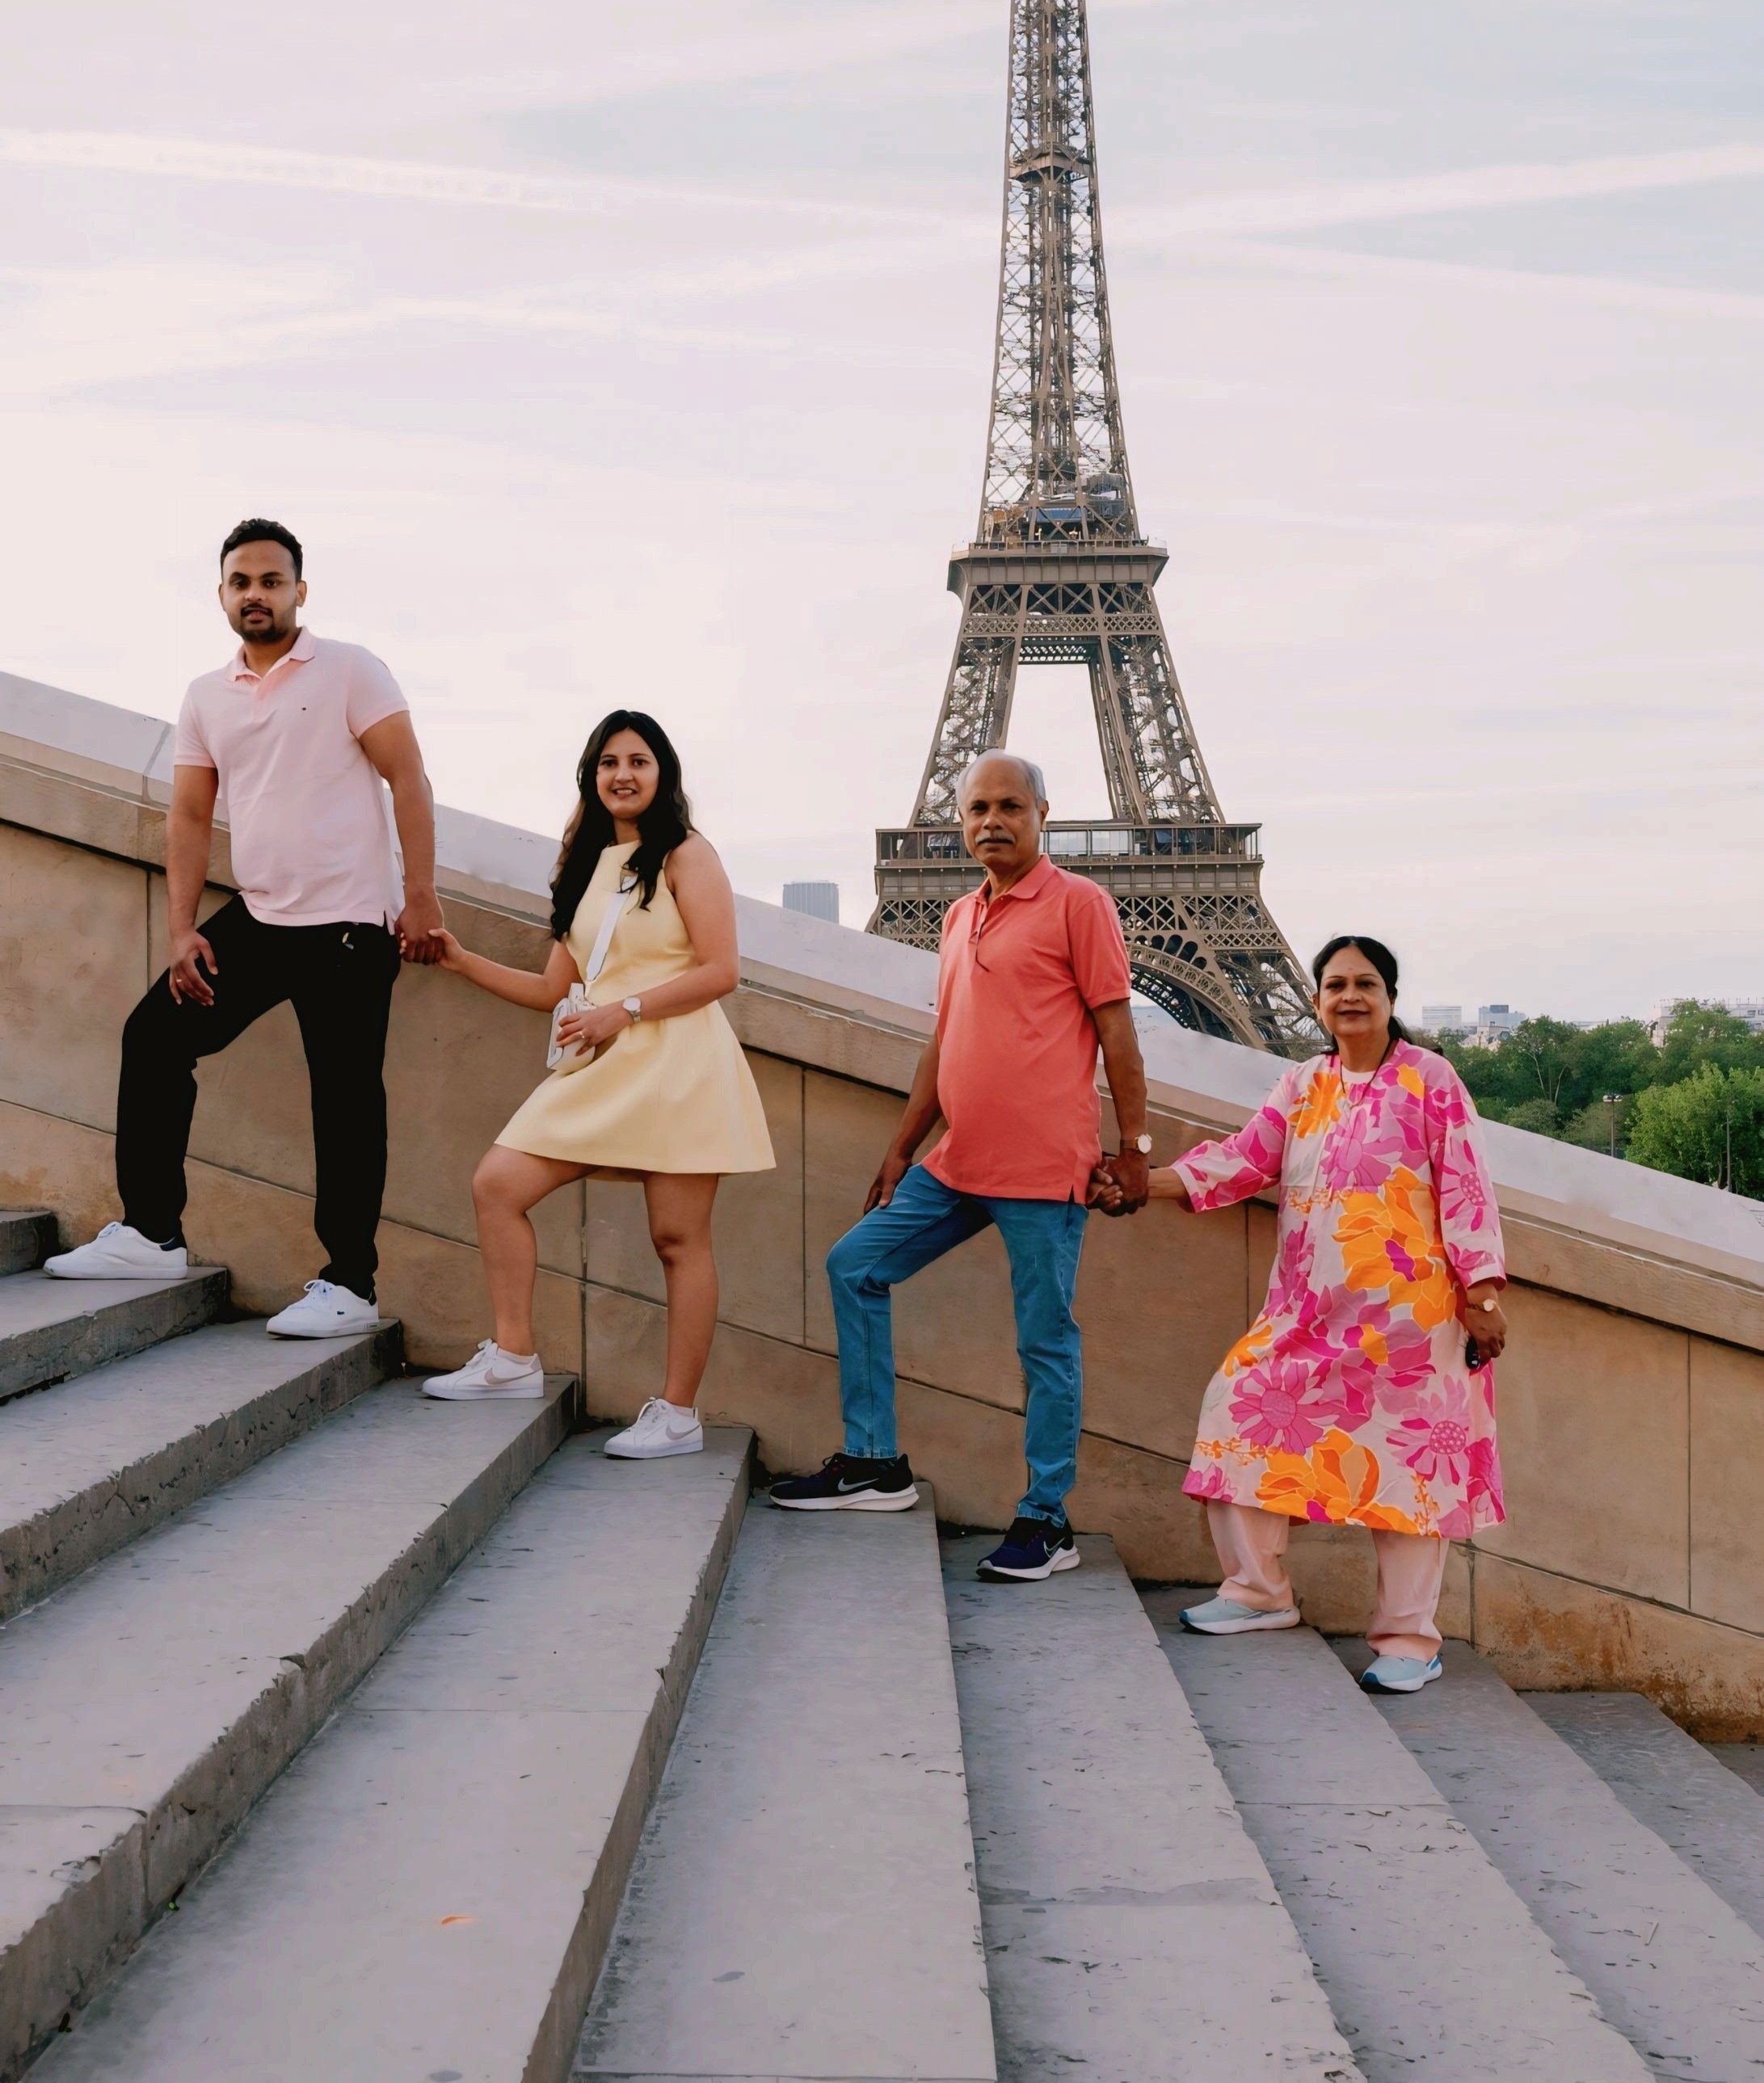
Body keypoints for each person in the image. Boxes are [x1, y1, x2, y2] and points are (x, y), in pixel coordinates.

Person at [47, 520, 444, 1336]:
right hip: (260, 919)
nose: (256, 594)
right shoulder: (206, 695)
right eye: (241, 582)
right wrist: (184, 929)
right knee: (154, 1035)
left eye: (271, 580)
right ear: (222, 595)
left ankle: (350, 1286)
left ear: (300, 591)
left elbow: (407, 777)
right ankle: (153, 1232)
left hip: (346, 928)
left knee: (343, 1101)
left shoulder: (348, 670)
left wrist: (423, 894)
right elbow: (190, 815)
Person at [768, 752, 1149, 1580]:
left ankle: (1045, 1519)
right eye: (976, 808)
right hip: (956, 1162)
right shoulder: (955, 915)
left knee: (1043, 1344)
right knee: (853, 1266)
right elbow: (947, 1040)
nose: (990, 822)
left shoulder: (1079, 905)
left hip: (1045, 1173)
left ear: (1042, 813)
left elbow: (1117, 1032)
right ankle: (874, 1460)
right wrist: (902, 1146)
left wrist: (1133, 1149)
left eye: (1008, 806)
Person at [1141, 933, 1508, 1694]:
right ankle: (1258, 1592)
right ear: (1314, 1001)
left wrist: (1480, 1297)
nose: (1349, 996)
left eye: (1364, 984)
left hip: (1411, 1323)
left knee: (1408, 1474)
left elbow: (1467, 1186)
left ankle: (1408, 1639)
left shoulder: (1430, 1078)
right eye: (1334, 984)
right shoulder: (1304, 1083)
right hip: (1306, 1315)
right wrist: (1142, 1182)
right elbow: (1244, 1159)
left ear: (1389, 998)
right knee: (1235, 1410)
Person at [419, 709, 773, 1454]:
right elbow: (557, 988)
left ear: (662, 773)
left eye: (638, 760)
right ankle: (514, 1355)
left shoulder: (687, 854)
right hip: (604, 1064)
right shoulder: (582, 865)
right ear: (591, 775)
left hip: (677, 1062)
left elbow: (721, 970)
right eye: (608, 761)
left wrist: (625, 1010)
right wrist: (460, 961)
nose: (622, 774)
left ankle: (677, 1414)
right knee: (497, 1184)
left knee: (678, 1239)